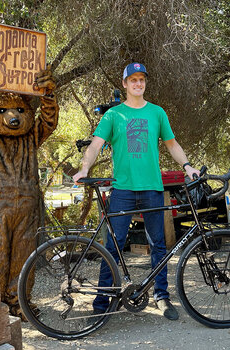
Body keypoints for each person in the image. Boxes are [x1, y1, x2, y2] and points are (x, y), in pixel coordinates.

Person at [73, 62, 200, 320]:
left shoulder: (156, 113)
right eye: (133, 80)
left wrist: (187, 166)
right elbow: (95, 145)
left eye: (142, 79)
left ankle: (161, 297)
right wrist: (84, 168)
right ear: (125, 84)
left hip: (153, 188)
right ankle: (103, 304)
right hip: (123, 190)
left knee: (159, 246)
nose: (138, 84)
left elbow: (172, 144)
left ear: (145, 83)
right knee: (113, 246)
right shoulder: (113, 115)